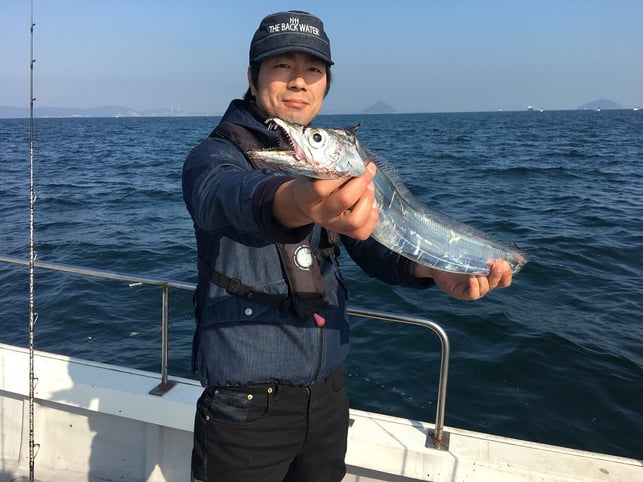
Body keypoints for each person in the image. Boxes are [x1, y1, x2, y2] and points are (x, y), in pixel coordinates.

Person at [182, 10, 513, 482]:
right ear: (252, 78)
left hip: (328, 397)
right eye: (281, 65)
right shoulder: (213, 157)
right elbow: (222, 198)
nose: (299, 81)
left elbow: (372, 240)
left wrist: (431, 268)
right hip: (243, 404)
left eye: (313, 70)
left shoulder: (334, 155)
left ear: (326, 85)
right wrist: (299, 200)